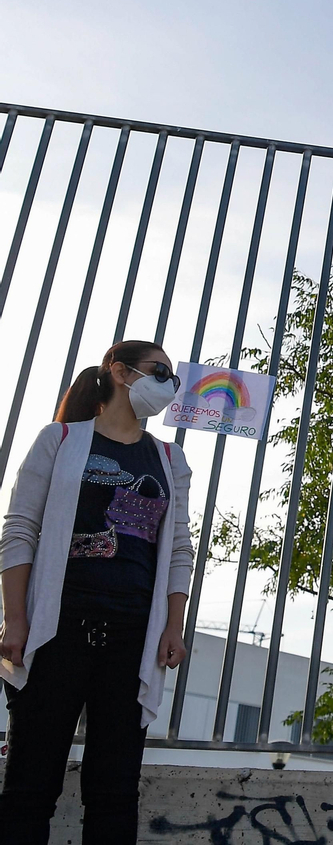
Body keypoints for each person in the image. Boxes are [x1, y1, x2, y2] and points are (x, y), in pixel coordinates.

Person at [0, 340, 194, 844]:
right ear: (120, 372)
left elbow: (178, 549)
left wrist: (173, 627)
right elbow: (20, 528)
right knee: (29, 788)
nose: (168, 386)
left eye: (172, 379)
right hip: (57, 630)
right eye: (158, 372)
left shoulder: (169, 459)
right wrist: (16, 619)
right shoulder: (61, 439)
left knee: (114, 795)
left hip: (133, 636)